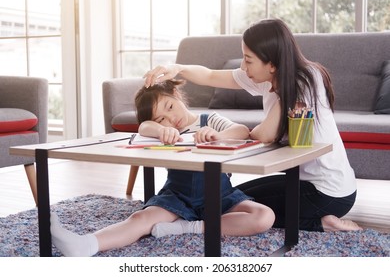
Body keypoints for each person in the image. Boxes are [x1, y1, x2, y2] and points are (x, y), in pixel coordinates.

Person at [144, 18, 362, 232]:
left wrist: (249, 131)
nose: (243, 66)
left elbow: (265, 135)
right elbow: (210, 76)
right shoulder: (268, 77)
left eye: (248, 60)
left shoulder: (304, 80)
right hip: (305, 181)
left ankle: (321, 223)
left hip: (328, 192)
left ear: (273, 64)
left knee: (227, 208)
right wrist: (177, 68)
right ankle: (318, 221)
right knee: (223, 200)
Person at [49, 79, 275, 257]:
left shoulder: (209, 119)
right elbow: (144, 126)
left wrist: (219, 135)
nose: (171, 118)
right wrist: (159, 130)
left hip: (220, 195)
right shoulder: (159, 130)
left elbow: (242, 131)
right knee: (140, 219)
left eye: (170, 107)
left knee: (264, 216)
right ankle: (87, 244)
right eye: (162, 118)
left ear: (176, 96)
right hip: (177, 197)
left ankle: (188, 227)